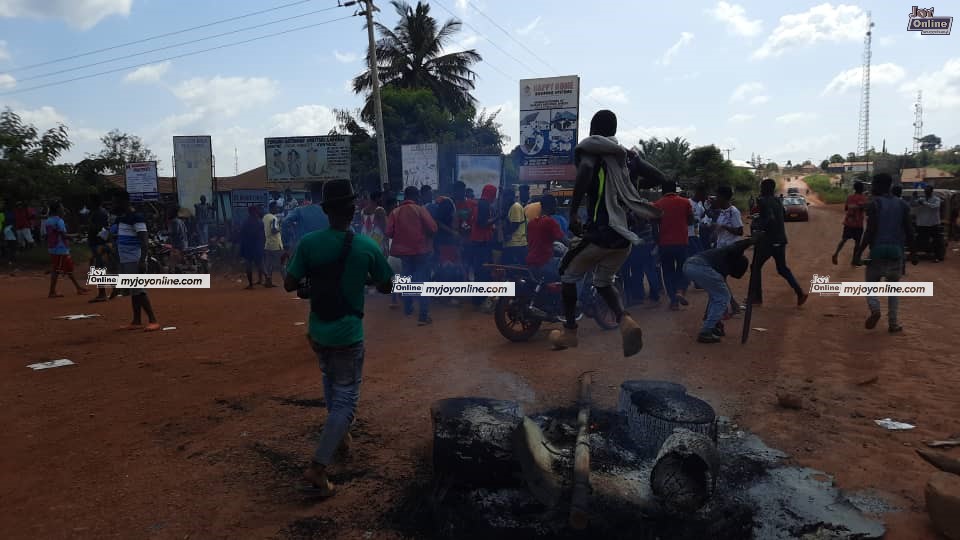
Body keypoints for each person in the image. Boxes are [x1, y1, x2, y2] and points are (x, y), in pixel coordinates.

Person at [284, 179, 394, 498]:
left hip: (318, 332)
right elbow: (387, 286)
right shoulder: (366, 246)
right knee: (346, 400)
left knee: (330, 380)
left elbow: (291, 284)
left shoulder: (308, 243)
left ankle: (341, 437)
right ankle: (318, 468)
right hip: (348, 334)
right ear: (353, 209)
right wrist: (366, 277)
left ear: (326, 210)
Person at [549, 110, 664, 356]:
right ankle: (625, 321)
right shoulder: (628, 157)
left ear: (592, 129)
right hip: (624, 239)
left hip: (601, 234)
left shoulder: (590, 152)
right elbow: (660, 177)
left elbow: (586, 171)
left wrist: (572, 213)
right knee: (602, 282)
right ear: (613, 130)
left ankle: (569, 331)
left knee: (567, 274)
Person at [854, 173, 913, 334]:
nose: (871, 187)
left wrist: (859, 252)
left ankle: (875, 308)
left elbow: (870, 231)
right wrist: (913, 253)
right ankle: (893, 324)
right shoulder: (902, 205)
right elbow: (909, 230)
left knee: (870, 285)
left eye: (873, 184)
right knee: (893, 290)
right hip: (896, 252)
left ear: (878, 186)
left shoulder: (875, 204)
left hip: (877, 252)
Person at [683, 237, 756, 343]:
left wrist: (733, 303)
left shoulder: (722, 265)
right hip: (700, 266)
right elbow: (737, 246)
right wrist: (751, 241)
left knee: (717, 296)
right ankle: (706, 331)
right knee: (722, 298)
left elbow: (721, 289)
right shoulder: (732, 254)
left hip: (690, 265)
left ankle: (712, 325)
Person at [749, 179, 809, 307]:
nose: (760, 189)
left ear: (765, 189)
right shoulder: (777, 200)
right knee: (782, 269)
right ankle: (800, 293)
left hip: (768, 241)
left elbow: (769, 218)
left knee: (755, 267)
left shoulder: (763, 201)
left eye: (762, 187)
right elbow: (782, 213)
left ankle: (757, 298)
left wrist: (759, 226)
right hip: (780, 239)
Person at [386, 186, 437, 325]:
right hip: (421, 251)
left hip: (403, 253)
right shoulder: (420, 210)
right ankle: (423, 316)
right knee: (422, 281)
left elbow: (389, 232)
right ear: (416, 196)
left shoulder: (395, 212)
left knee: (406, 277)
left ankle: (408, 309)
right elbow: (433, 228)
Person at [113, 192, 160, 331]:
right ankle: (136, 320)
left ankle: (153, 320)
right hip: (127, 259)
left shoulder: (136, 218)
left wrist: (142, 260)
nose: (114, 205)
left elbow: (144, 240)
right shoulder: (123, 218)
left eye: (116, 202)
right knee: (134, 291)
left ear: (124, 202)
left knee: (139, 290)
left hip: (135, 258)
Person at [653, 181, 692, 310]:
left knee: (668, 271)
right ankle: (680, 290)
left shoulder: (657, 204)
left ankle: (674, 301)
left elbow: (655, 224)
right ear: (675, 189)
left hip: (665, 243)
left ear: (663, 191)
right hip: (682, 242)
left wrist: (657, 241)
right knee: (684, 268)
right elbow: (691, 220)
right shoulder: (686, 202)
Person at [45, 202, 88, 298]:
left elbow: (58, 235)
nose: (63, 210)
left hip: (54, 247)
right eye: (61, 208)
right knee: (57, 270)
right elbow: (64, 236)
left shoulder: (49, 220)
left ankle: (78, 287)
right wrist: (76, 235)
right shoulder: (58, 221)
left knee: (68, 269)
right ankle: (52, 292)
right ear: (57, 210)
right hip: (60, 248)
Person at [623, 216, 662, 307]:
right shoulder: (649, 219)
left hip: (639, 249)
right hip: (648, 248)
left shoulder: (634, 220)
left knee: (639, 273)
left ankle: (641, 296)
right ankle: (654, 294)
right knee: (649, 272)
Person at [526, 194, 566, 280]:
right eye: (555, 205)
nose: (556, 208)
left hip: (531, 263)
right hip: (544, 262)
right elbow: (564, 240)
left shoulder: (531, 223)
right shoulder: (550, 222)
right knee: (572, 270)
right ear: (550, 206)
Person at [284, 185, 331, 255]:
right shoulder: (331, 212)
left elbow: (285, 222)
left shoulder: (300, 210)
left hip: (304, 250)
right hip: (325, 250)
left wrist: (287, 243)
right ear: (324, 197)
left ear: (311, 197)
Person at [832, 181, 869, 266]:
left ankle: (836, 253)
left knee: (844, 239)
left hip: (848, 222)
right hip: (858, 224)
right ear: (862, 189)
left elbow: (846, 208)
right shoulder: (863, 198)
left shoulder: (849, 197)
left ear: (854, 188)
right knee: (857, 243)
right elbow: (865, 209)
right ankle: (854, 260)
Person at [87, 196, 112, 302]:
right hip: (100, 242)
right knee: (100, 266)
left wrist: (90, 227)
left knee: (99, 268)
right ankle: (112, 289)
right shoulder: (102, 212)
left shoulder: (98, 213)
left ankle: (102, 293)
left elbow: (100, 229)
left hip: (98, 242)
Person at [912, 185, 945, 262]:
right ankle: (915, 255)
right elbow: (912, 204)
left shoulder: (936, 199)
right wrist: (914, 198)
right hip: (922, 224)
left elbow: (935, 207)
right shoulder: (921, 199)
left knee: (937, 241)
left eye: (927, 190)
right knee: (919, 240)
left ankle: (938, 257)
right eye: (925, 190)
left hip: (933, 223)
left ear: (931, 191)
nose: (926, 192)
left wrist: (924, 203)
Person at [240, 206, 266, 289]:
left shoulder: (246, 222)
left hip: (249, 246)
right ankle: (265, 279)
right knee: (260, 264)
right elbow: (263, 235)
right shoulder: (260, 222)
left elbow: (242, 235)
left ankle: (251, 284)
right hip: (258, 246)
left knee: (249, 265)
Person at [501, 189, 528, 265]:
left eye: (505, 198)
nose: (504, 200)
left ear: (511, 197)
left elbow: (514, 225)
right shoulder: (511, 207)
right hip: (513, 244)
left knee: (514, 269)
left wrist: (505, 233)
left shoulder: (515, 207)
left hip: (517, 243)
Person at [262, 202, 284, 288]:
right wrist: (280, 227)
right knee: (282, 264)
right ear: (272, 208)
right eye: (276, 208)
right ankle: (286, 282)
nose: (277, 209)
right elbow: (274, 230)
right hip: (276, 244)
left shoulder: (265, 217)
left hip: (267, 244)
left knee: (269, 264)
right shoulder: (274, 218)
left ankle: (268, 282)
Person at [168, 206, 189, 270]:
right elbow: (186, 231)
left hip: (178, 244)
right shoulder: (180, 221)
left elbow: (175, 232)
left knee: (175, 262)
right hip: (184, 243)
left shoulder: (174, 221)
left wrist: (166, 234)